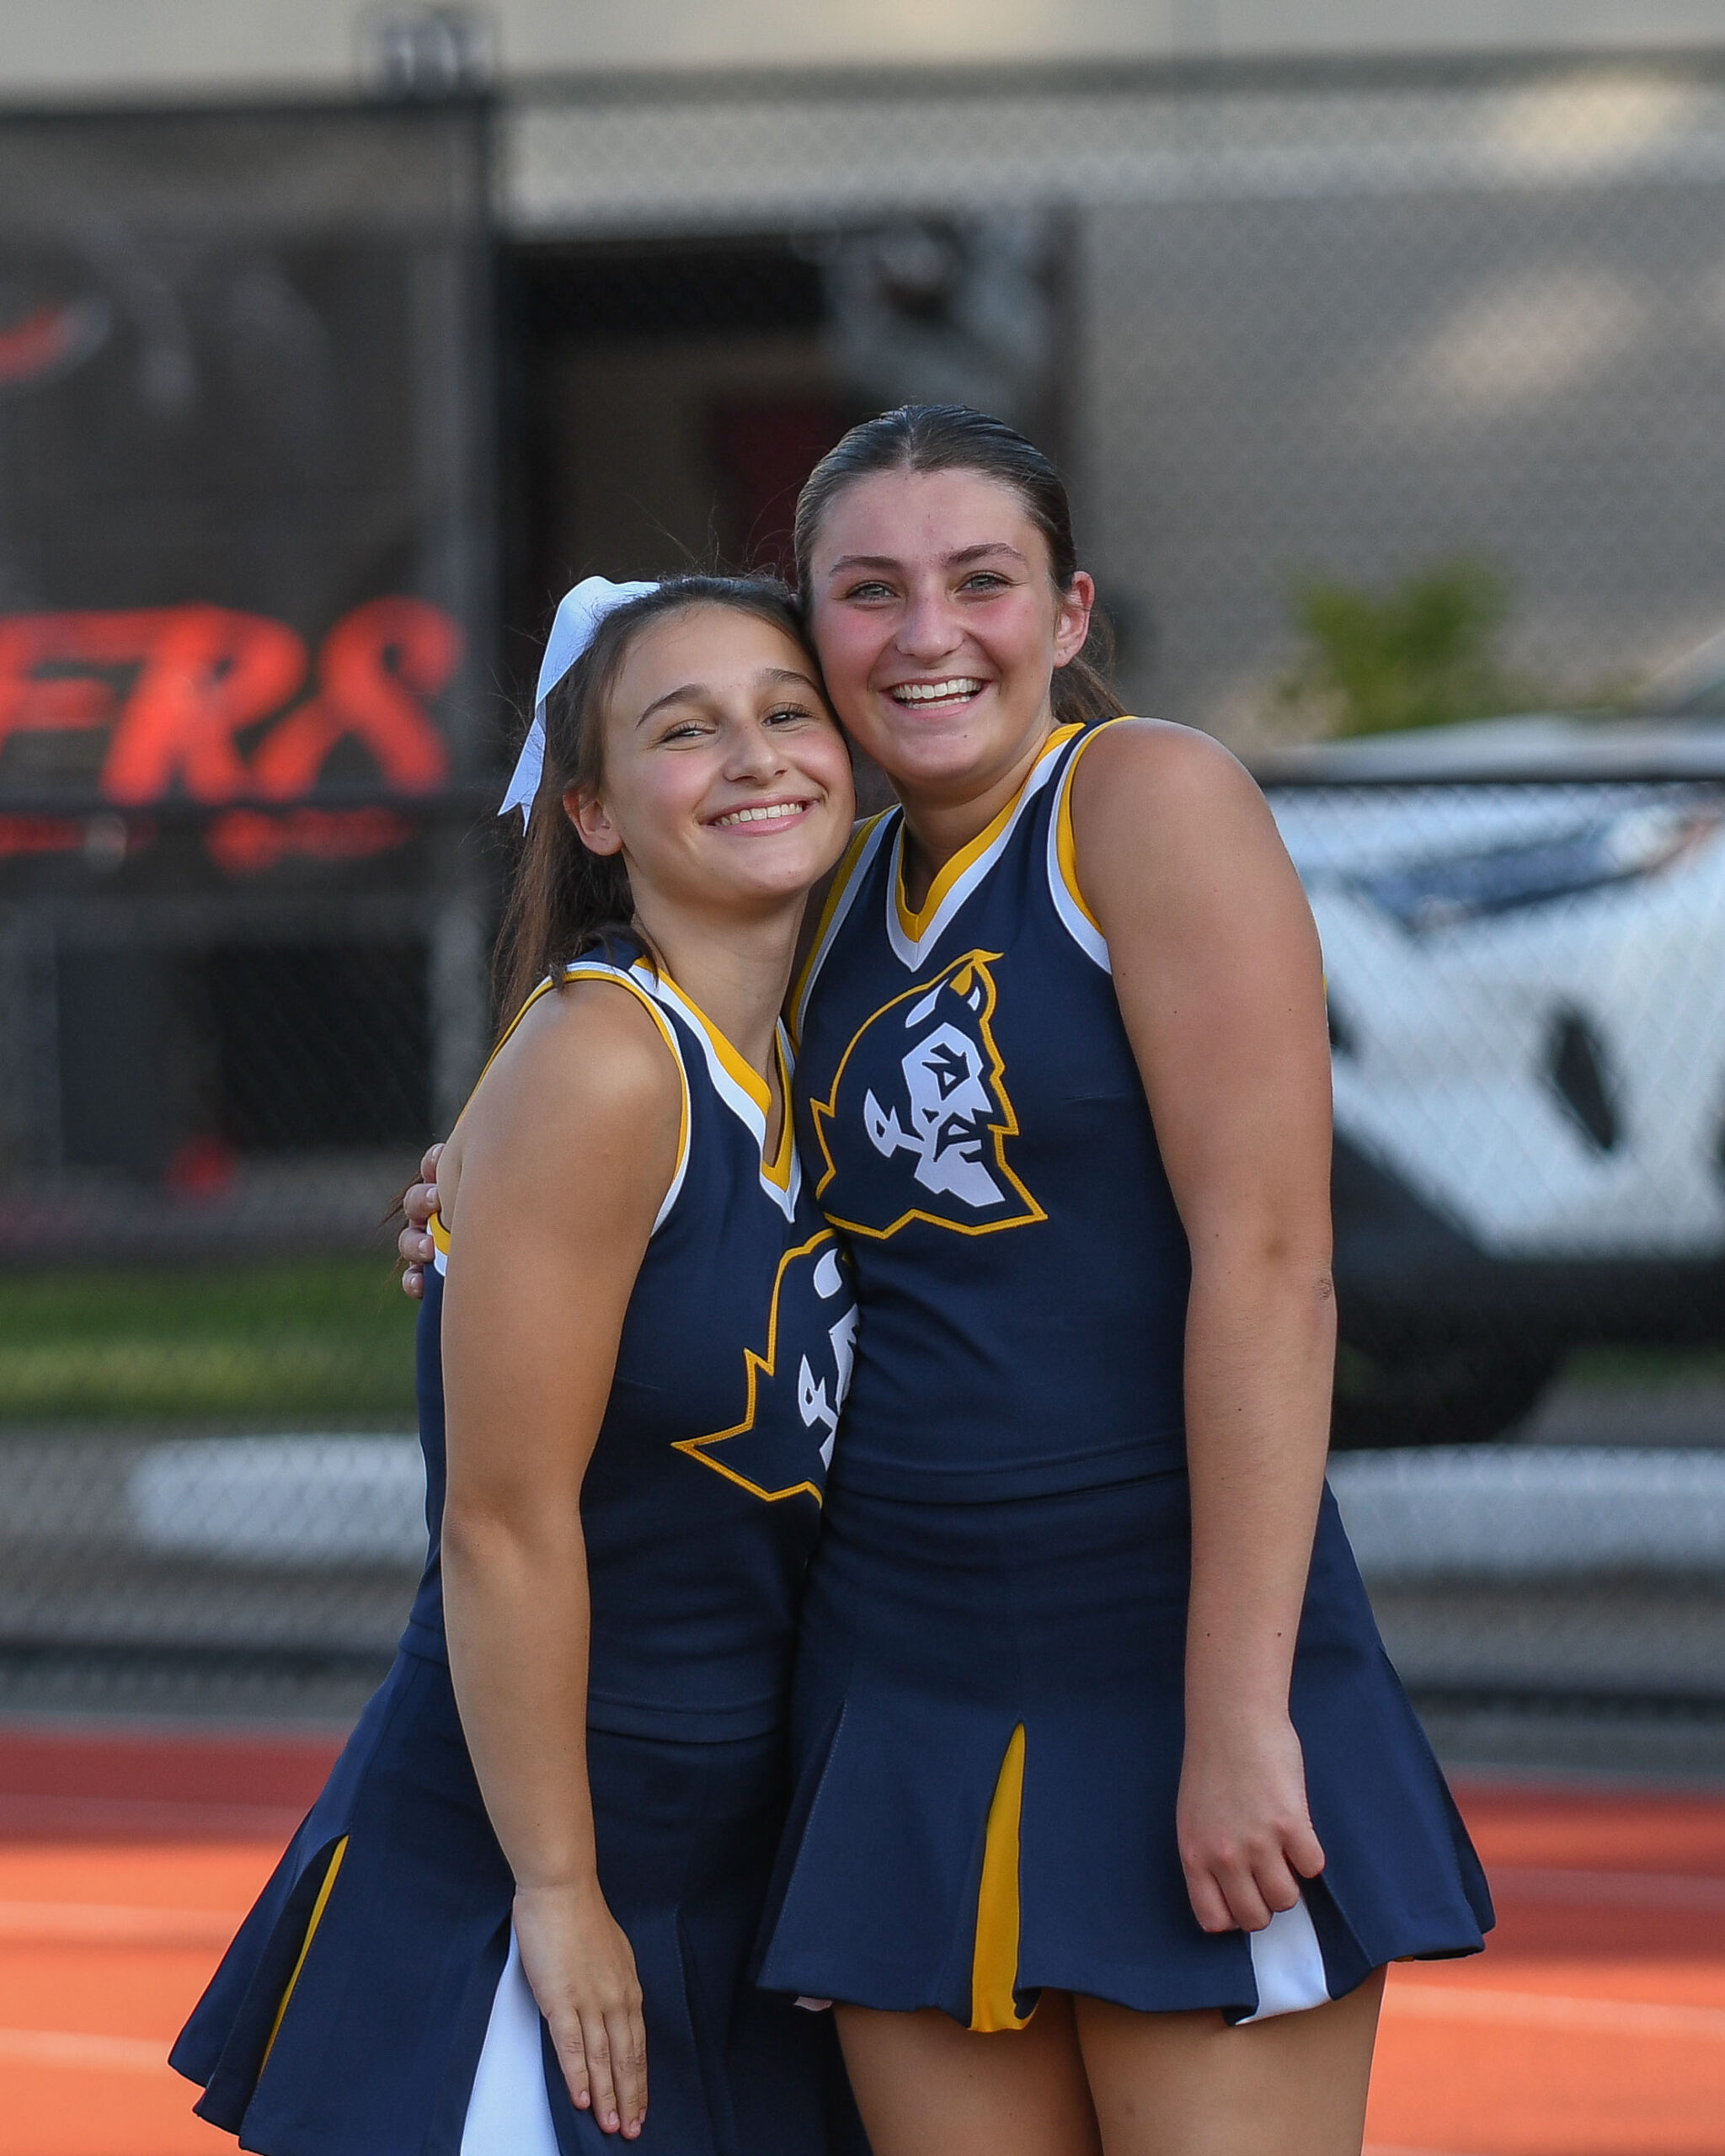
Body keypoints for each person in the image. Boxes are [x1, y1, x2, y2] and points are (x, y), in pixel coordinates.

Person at [403, 406, 1493, 2156]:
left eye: (980, 581)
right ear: (815, 628)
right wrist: (480, 1181)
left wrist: (1236, 1711)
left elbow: (1275, 1264)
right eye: (869, 592)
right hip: (893, 1681)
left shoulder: (1143, 799)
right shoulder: (822, 875)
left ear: (1067, 612)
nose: (928, 634)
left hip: (1159, 1644)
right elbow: (674, 1115)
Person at [174, 575, 868, 2156]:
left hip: (731, 1850)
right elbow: (500, 1523)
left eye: (787, 712)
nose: (755, 757)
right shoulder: (605, 1063)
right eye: (685, 731)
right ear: (592, 810)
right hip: (538, 1861)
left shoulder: (816, 1060)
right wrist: (558, 1891)